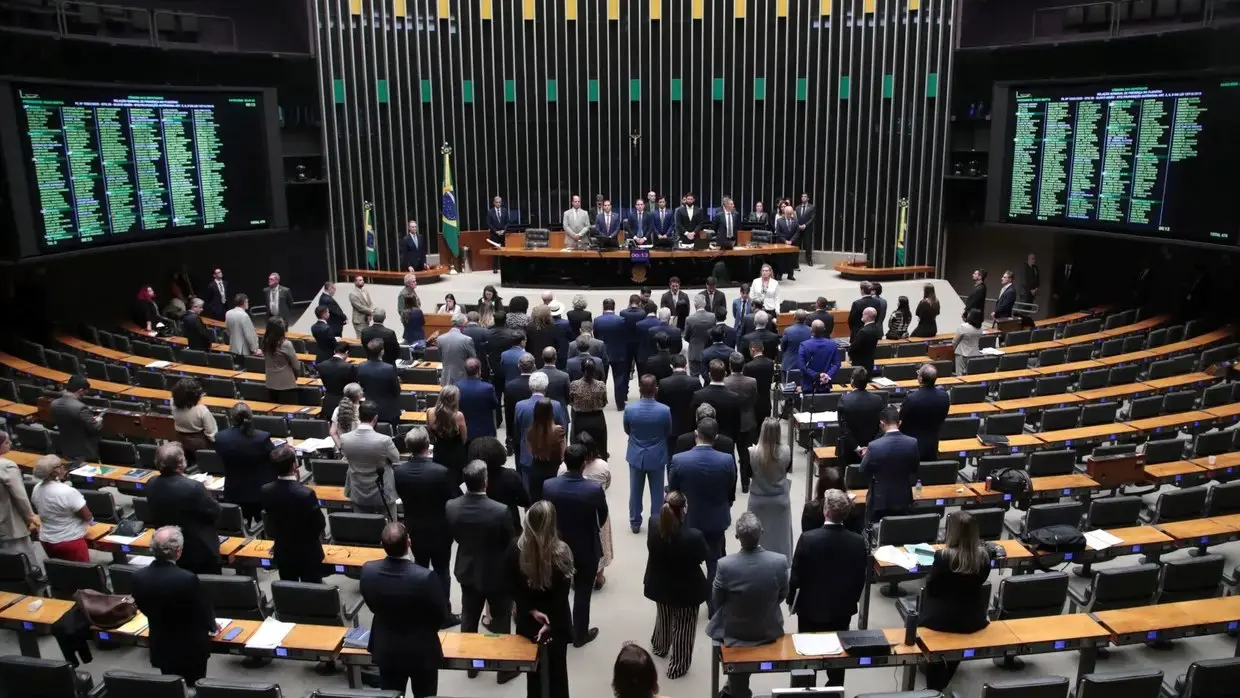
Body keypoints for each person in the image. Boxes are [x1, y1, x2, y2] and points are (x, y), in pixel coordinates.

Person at [446, 461, 519, 682]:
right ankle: (503, 669)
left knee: (469, 618)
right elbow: (510, 542)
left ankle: (471, 664)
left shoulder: (451, 506)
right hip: (496, 572)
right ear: (486, 482)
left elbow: (455, 535)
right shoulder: (500, 511)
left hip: (467, 568)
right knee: (501, 619)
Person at [788, 489, 867, 688]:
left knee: (807, 656)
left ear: (825, 511)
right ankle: (835, 688)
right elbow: (860, 579)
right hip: (841, 610)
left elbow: (796, 576)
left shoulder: (808, 538)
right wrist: (851, 602)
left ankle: (806, 688)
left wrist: (791, 601)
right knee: (838, 655)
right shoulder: (858, 542)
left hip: (810, 609)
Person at [360, 522, 449, 698]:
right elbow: (440, 615)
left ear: (382, 544)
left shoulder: (368, 570)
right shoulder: (425, 577)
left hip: (386, 647)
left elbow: (371, 604)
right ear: (409, 542)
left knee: (391, 694)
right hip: (421, 651)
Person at [706, 512, 789, 698]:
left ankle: (736, 691)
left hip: (735, 633)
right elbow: (783, 594)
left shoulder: (725, 565)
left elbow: (716, 601)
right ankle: (733, 689)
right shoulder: (779, 561)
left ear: (736, 536)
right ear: (762, 532)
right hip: (768, 629)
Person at [132, 526, 218, 685]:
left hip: (161, 642)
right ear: (178, 551)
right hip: (190, 647)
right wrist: (212, 625)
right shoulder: (187, 579)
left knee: (171, 686)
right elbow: (201, 610)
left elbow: (142, 605)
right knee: (193, 686)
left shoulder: (138, 577)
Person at [542, 444, 607, 648]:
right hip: (586, 545)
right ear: (584, 464)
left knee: (558, 591)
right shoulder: (593, 489)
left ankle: (562, 630)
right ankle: (580, 634)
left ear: (564, 461)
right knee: (582, 592)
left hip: (557, 545)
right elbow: (602, 516)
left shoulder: (549, 486)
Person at [506, 501, 573, 698]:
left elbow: (510, 587)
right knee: (558, 672)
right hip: (556, 622)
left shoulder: (514, 549)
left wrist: (532, 610)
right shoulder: (562, 552)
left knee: (533, 674)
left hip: (529, 622)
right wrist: (549, 622)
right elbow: (561, 595)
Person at [394, 427, 460, 625]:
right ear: (427, 445)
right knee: (442, 571)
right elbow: (454, 499)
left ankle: (422, 610)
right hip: (440, 530)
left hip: (415, 529)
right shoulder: (441, 472)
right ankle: (444, 614)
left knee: (419, 568)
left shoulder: (399, 472)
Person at [921, 511, 993, 692]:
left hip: (940, 619)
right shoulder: (985, 557)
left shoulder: (942, 557)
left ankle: (934, 685)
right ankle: (945, 675)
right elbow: (981, 581)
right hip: (972, 619)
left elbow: (932, 587)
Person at [643, 490, 709, 679]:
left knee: (663, 616)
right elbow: (702, 557)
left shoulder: (653, 524)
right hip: (686, 590)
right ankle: (678, 666)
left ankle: (660, 646)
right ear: (682, 511)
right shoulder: (693, 537)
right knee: (684, 626)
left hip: (659, 583)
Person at [669, 418, 736, 596]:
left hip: (689, 521)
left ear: (696, 434)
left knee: (688, 563)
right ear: (716, 437)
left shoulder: (679, 460)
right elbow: (730, 486)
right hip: (716, 521)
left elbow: (674, 492)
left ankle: (689, 598)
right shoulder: (727, 460)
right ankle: (713, 602)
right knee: (715, 563)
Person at [146, 442, 222, 574]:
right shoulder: (193, 487)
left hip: (167, 544)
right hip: (198, 548)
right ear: (181, 464)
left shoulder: (151, 483)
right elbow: (216, 511)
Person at [260, 444, 326, 583]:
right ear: (295, 465)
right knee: (313, 589)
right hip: (308, 552)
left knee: (289, 589)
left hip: (283, 549)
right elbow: (319, 524)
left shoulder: (265, 490)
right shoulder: (306, 494)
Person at [557, 433, 612, 589]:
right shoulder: (603, 465)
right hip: (597, 511)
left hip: (571, 511)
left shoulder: (563, 468)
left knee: (573, 544)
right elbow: (607, 483)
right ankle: (599, 577)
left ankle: (574, 575)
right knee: (601, 543)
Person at [623, 375, 672, 534]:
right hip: (657, 454)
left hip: (636, 454)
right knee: (657, 493)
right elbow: (668, 431)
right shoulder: (664, 410)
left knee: (635, 491)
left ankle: (635, 522)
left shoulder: (630, 409)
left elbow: (627, 429)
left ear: (640, 389)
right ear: (655, 389)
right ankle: (657, 523)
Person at [215, 403, 275, 527]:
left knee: (240, 528)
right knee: (266, 527)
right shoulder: (262, 437)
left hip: (234, 492)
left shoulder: (220, 438)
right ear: (251, 417)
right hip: (260, 493)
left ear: (231, 418)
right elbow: (274, 458)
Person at [340, 401, 401, 520]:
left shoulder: (344, 438)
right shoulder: (384, 440)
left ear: (359, 416)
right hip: (383, 491)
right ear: (375, 418)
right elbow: (396, 458)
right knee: (391, 526)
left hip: (358, 490)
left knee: (363, 525)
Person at [859, 405, 920, 521]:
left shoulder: (874, 446)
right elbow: (914, 468)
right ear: (900, 423)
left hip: (880, 499)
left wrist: (867, 456)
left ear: (882, 424)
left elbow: (863, 470)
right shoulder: (913, 443)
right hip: (903, 496)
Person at [28, 455, 90, 562]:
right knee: (81, 571)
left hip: (46, 540)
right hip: (70, 541)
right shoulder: (67, 491)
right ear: (56, 471)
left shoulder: (36, 488)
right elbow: (87, 516)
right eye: (61, 465)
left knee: (60, 569)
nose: (64, 468)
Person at [746, 418, 792, 559]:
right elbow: (787, 470)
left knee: (757, 538)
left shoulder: (752, 452)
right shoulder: (786, 451)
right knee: (781, 539)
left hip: (758, 501)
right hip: (780, 501)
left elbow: (748, 474)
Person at [468, 437, 529, 532]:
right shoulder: (510, 475)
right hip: (510, 525)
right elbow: (525, 501)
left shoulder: (472, 478)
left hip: (484, 528)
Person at [0, 433, 40, 570]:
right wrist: (30, 517)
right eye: (6, 442)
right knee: (23, 561)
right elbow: (20, 495)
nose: (11, 443)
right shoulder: (7, 466)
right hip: (9, 521)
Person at [900, 364, 951, 461]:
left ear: (920, 379)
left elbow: (902, 420)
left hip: (911, 444)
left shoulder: (911, 399)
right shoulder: (944, 397)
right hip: (933, 444)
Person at [836, 368, 885, 468]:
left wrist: (857, 448)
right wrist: (869, 447)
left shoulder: (844, 400)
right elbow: (882, 426)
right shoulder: (878, 400)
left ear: (852, 381)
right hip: (872, 450)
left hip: (849, 450)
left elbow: (844, 428)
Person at [724, 352, 759, 491]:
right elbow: (754, 399)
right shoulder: (752, 381)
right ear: (743, 365)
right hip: (747, 421)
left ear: (730, 366)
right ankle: (745, 483)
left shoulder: (725, 382)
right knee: (745, 454)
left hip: (729, 421)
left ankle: (732, 482)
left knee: (730, 454)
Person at [523, 396, 566, 503]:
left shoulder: (530, 432)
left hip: (536, 469)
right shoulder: (559, 431)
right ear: (551, 413)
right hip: (554, 471)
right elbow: (563, 454)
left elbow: (530, 452)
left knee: (537, 502)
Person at [691, 360, 744, 444]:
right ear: (725, 374)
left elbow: (694, 421)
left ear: (709, 375)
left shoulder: (698, 395)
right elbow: (736, 424)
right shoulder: (734, 397)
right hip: (727, 441)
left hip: (704, 440)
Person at [593, 298, 634, 408]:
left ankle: (599, 402)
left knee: (601, 379)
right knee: (619, 379)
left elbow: (596, 336)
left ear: (603, 307)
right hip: (619, 352)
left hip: (602, 353)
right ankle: (620, 403)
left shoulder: (597, 320)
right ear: (614, 307)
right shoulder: (621, 320)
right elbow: (625, 336)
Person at [51, 374, 101, 462]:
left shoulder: (54, 404)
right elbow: (95, 428)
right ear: (80, 390)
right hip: (84, 451)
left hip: (65, 448)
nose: (85, 395)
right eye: (85, 392)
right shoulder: (80, 408)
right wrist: (98, 420)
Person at [427, 384, 469, 486]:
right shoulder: (458, 415)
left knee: (440, 481)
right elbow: (464, 438)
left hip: (439, 451)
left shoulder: (430, 412)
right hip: (456, 455)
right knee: (455, 483)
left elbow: (430, 433)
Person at [657, 354, 701, 447]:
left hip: (671, 426)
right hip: (690, 426)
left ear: (671, 366)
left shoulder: (663, 383)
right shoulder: (695, 382)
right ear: (686, 366)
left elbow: (659, 405)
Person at [569, 357, 609, 455]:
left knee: (579, 451)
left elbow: (571, 402)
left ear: (582, 369)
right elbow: (604, 402)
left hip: (580, 420)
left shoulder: (574, 385)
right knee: (600, 448)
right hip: (598, 419)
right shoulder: (601, 385)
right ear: (594, 370)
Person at [171, 377, 216, 464]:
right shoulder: (202, 410)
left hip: (181, 441)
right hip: (200, 444)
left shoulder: (172, 404)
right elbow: (211, 434)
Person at [357, 338, 401, 424]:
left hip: (368, 410)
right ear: (382, 352)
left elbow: (362, 386)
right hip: (388, 410)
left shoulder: (361, 367)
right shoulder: (389, 368)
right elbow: (396, 390)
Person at [458, 358, 498, 443]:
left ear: (465, 371)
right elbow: (494, 405)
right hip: (485, 432)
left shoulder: (457, 386)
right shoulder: (488, 388)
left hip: (464, 432)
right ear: (479, 371)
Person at [262, 318, 302, 403]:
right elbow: (296, 365)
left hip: (270, 383)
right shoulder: (286, 344)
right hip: (286, 384)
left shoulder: (265, 341)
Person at [505, 352, 537, 457]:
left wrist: (509, 434)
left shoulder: (510, 386)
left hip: (518, 428)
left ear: (519, 366)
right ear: (534, 366)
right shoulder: (538, 385)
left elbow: (508, 413)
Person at [798, 319, 841, 395]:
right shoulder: (832, 344)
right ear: (824, 330)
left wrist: (816, 375)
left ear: (811, 330)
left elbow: (801, 365)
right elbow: (837, 364)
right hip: (825, 383)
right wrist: (827, 376)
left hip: (808, 383)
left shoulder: (804, 345)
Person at [317, 341, 357, 422]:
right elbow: (353, 385)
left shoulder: (322, 365)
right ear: (347, 352)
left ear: (334, 351)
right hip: (345, 404)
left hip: (328, 402)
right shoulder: (349, 367)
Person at [435, 315, 476, 386]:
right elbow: (473, 359)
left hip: (445, 379)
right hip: (462, 378)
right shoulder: (467, 340)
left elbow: (441, 357)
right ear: (463, 325)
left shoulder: (440, 339)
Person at [684, 295, 716, 378]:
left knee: (694, 379)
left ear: (695, 305)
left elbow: (686, 337)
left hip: (694, 353)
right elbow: (714, 334)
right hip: (709, 352)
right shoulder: (713, 317)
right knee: (709, 378)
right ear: (705, 303)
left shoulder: (689, 319)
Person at [743, 342, 776, 423]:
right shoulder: (770, 363)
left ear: (752, 350)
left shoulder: (748, 366)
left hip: (753, 405)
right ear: (763, 349)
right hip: (766, 403)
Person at [849, 307, 881, 376]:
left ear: (867, 316)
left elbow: (854, 347)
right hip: (869, 362)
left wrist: (850, 353)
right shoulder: (876, 329)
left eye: (863, 314)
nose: (862, 316)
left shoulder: (863, 331)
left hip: (860, 363)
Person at [329, 382, 364, 447]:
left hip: (344, 447)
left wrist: (340, 448)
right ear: (360, 395)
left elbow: (333, 432)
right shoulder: (363, 410)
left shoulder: (337, 409)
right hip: (360, 448)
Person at [953, 309, 985, 375]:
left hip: (962, 353)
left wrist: (955, 349)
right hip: (975, 353)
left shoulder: (964, 327)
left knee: (960, 374)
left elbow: (955, 341)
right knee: (971, 374)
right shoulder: (980, 329)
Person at [772, 207, 799, 280]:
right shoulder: (779, 221)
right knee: (781, 259)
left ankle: (790, 275)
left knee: (791, 259)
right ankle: (779, 274)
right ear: (785, 213)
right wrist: (785, 241)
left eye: (791, 214)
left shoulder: (795, 220)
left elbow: (797, 232)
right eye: (788, 214)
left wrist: (791, 241)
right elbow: (778, 233)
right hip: (782, 243)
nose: (789, 215)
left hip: (792, 243)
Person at [795, 192, 817, 268]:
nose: (803, 198)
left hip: (807, 229)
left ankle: (809, 260)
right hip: (799, 228)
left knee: (808, 245)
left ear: (808, 198)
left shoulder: (812, 207)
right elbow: (795, 218)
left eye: (805, 196)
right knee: (797, 245)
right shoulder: (797, 208)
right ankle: (795, 261)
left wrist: (805, 225)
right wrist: (798, 225)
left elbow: (812, 218)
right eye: (802, 196)